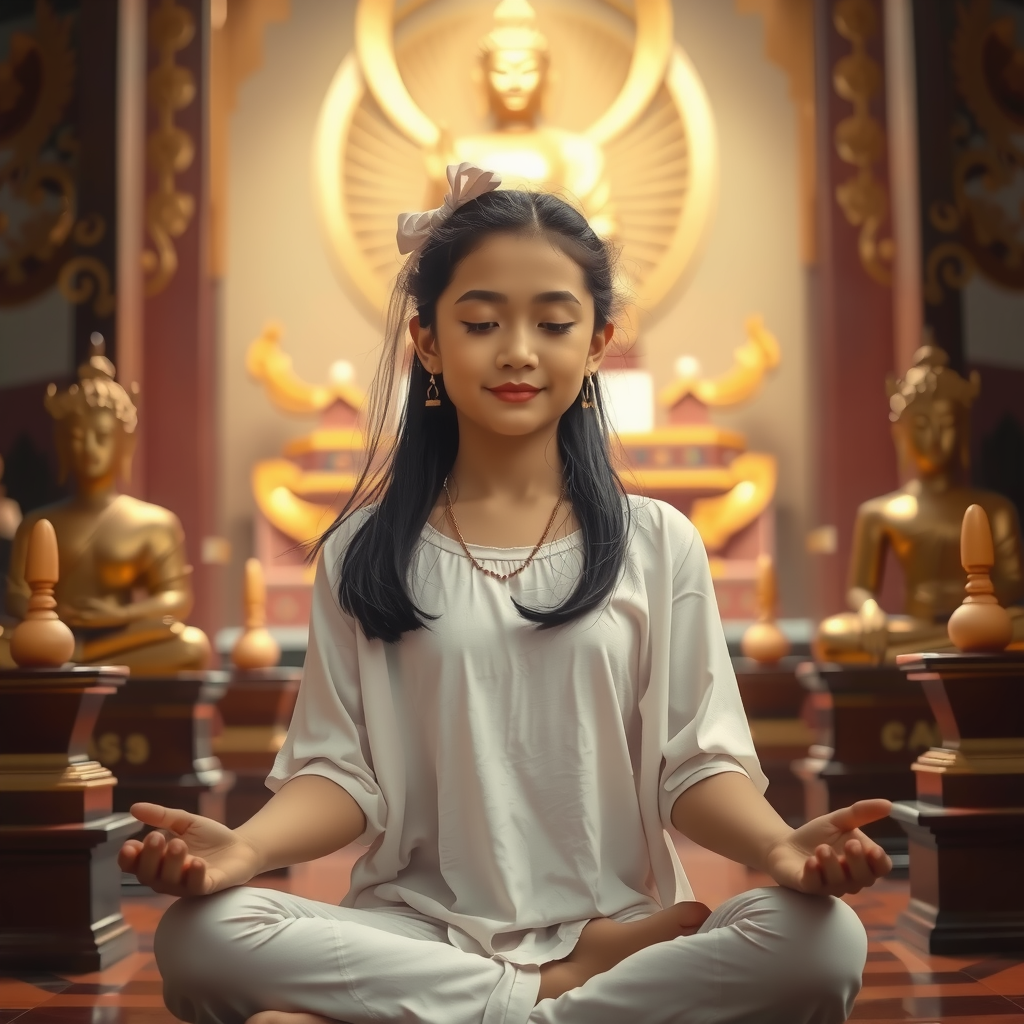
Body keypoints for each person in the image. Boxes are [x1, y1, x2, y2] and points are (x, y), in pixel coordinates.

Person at [122, 163, 892, 1024]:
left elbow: (697, 763)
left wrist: (782, 848)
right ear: (427, 341)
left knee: (824, 942)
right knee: (200, 937)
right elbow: (341, 774)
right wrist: (245, 851)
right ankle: (552, 997)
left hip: (621, 920)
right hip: (416, 932)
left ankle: (473, 1009)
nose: (518, 350)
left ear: (598, 342)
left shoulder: (656, 543)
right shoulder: (361, 552)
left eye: (554, 322)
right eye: (482, 321)